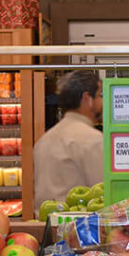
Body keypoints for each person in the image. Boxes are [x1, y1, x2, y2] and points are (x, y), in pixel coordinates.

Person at [32, 69, 104, 209]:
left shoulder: (44, 140)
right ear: (87, 99)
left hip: (45, 225)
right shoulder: (92, 140)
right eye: (99, 95)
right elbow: (102, 195)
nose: (102, 101)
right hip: (79, 227)